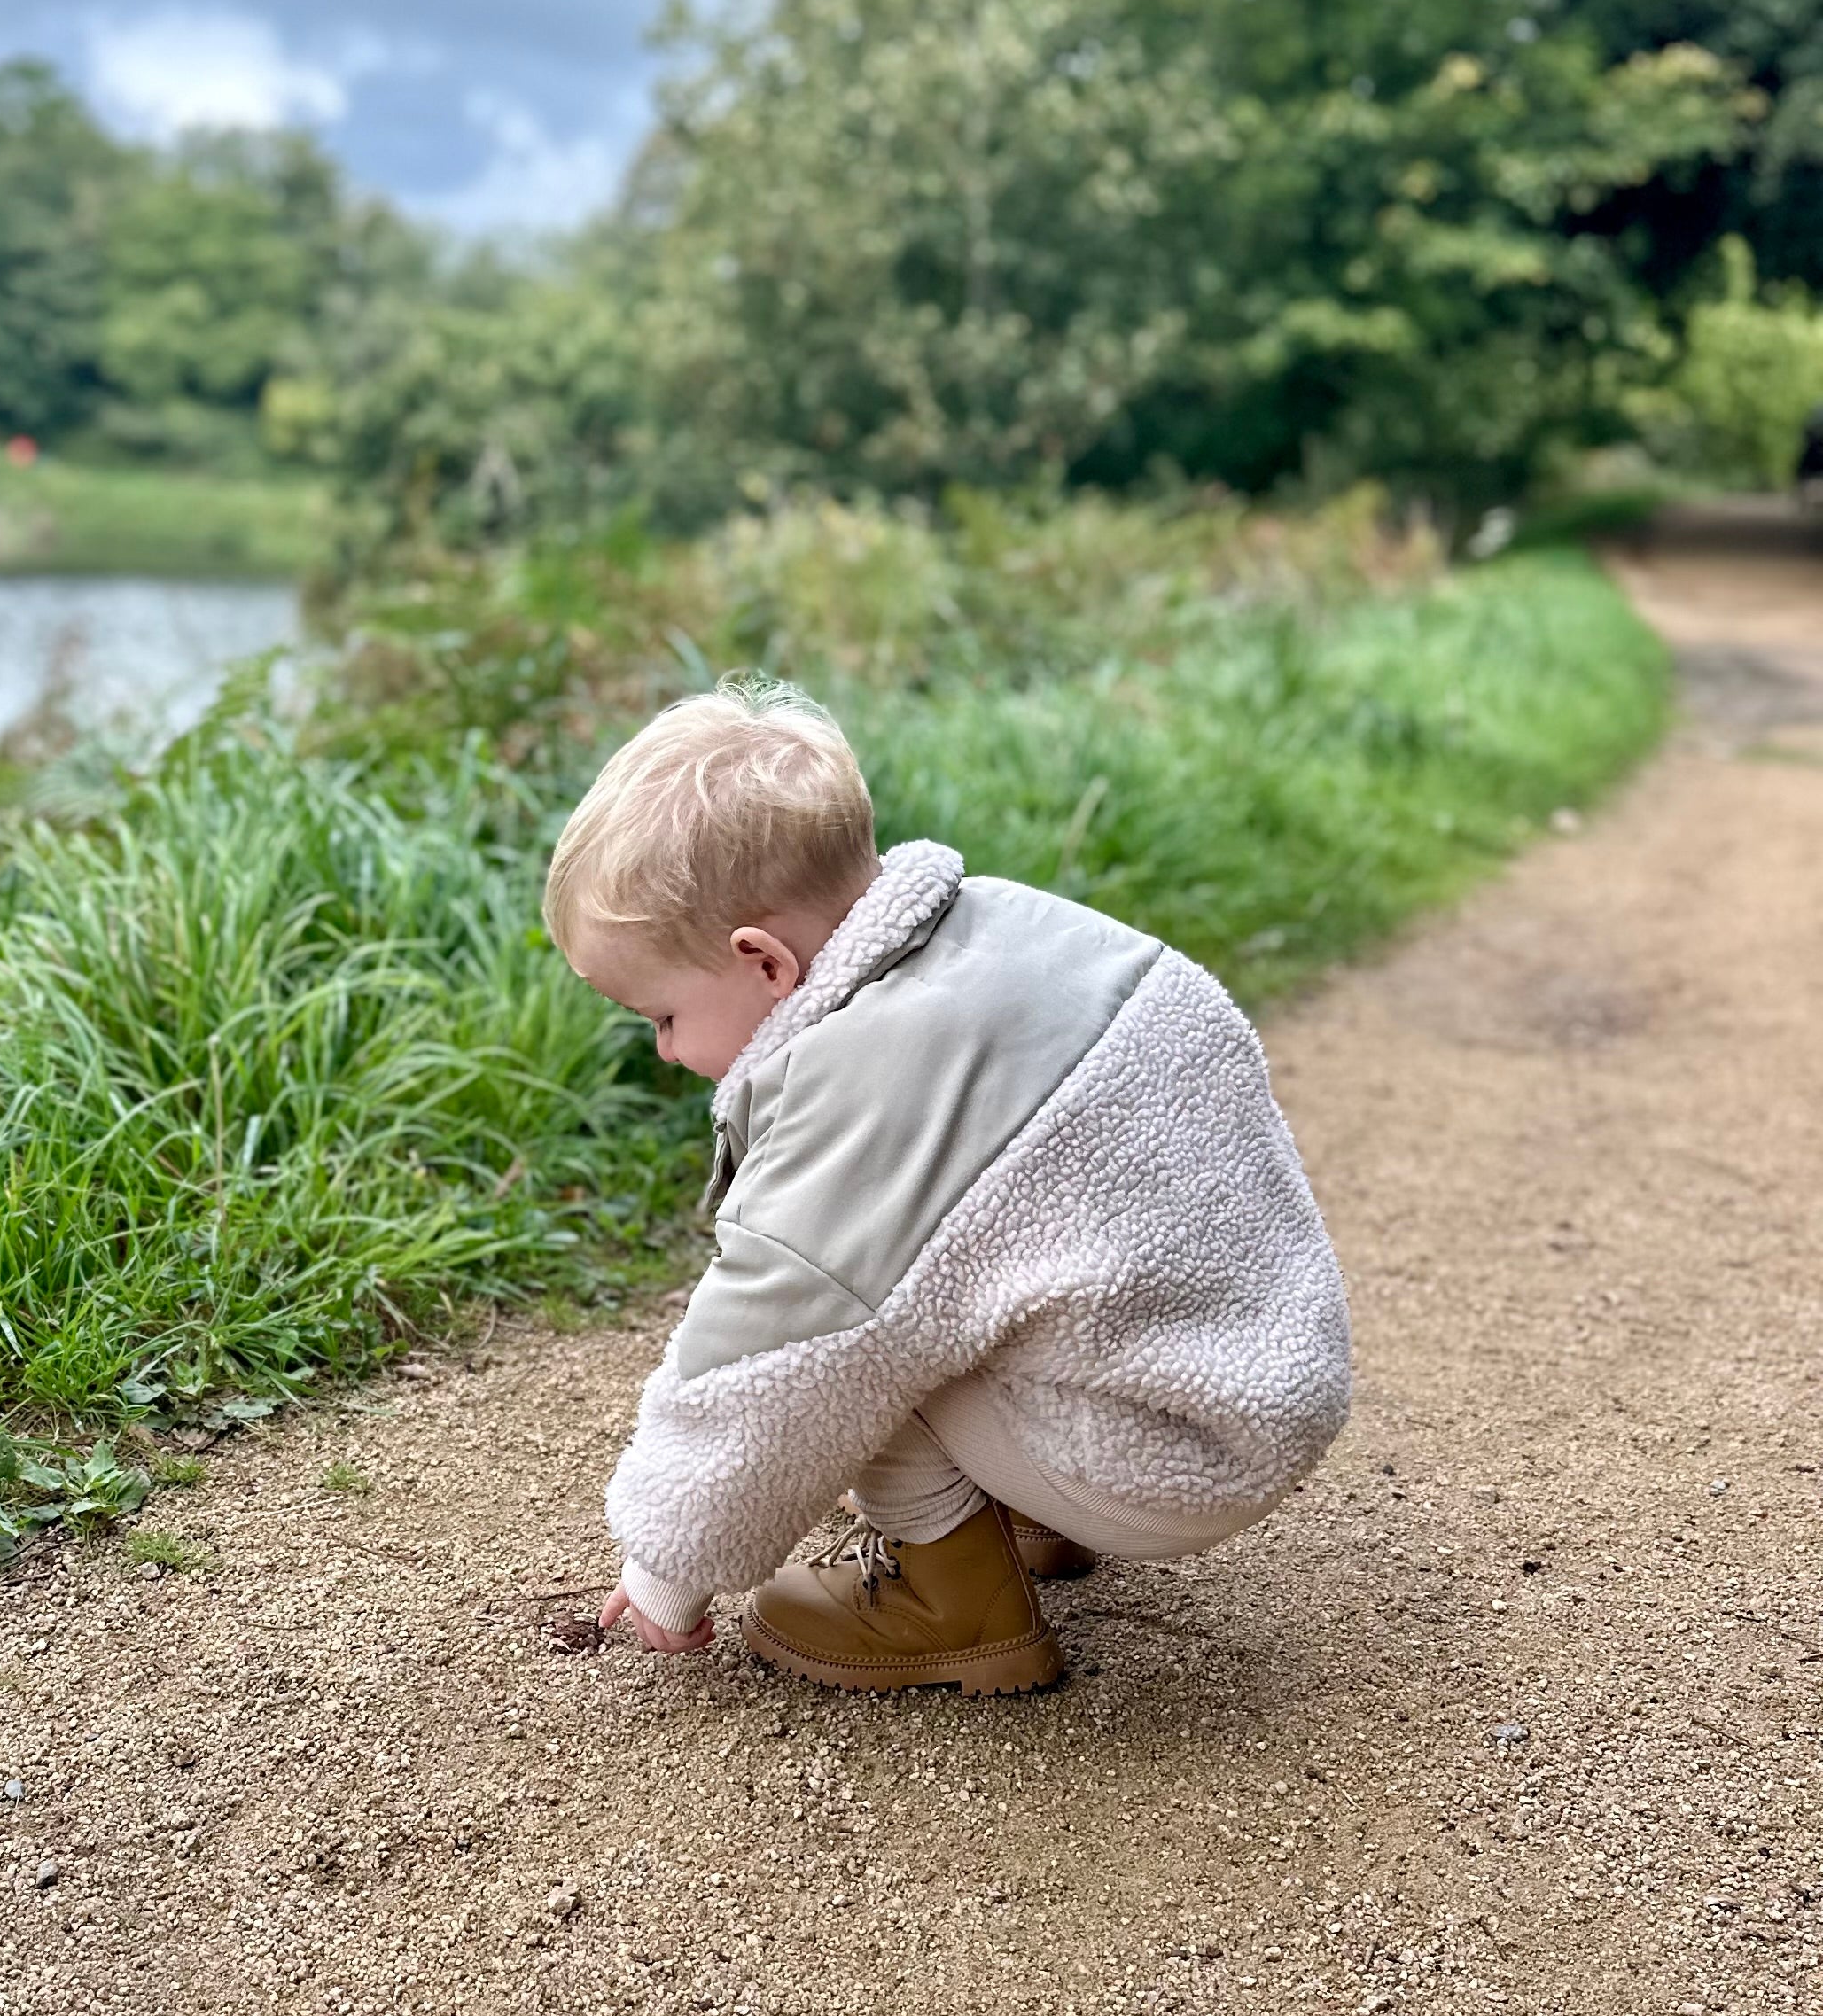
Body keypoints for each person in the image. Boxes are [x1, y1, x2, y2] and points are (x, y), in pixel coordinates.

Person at [544, 681, 1351, 1693]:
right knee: (957, 1273)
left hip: (1166, 1452)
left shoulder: (874, 1080)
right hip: (1254, 1371)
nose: (663, 1052)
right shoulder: (1012, 933)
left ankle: (951, 1600)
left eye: (660, 1017)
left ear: (763, 964)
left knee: (856, 1334)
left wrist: (669, 1563)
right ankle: (1029, 1517)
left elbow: (773, 1354)